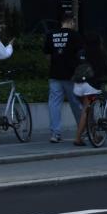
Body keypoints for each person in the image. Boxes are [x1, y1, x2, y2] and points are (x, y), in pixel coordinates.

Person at [43, 16, 86, 145]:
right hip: (71, 75)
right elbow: (81, 55)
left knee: (54, 104)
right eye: (73, 23)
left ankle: (55, 133)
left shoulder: (51, 35)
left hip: (55, 74)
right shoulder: (75, 35)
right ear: (71, 22)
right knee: (75, 103)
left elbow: (47, 54)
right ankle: (81, 130)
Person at [71, 29, 107, 148]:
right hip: (91, 88)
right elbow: (106, 70)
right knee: (86, 112)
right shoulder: (100, 53)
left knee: (89, 111)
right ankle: (77, 138)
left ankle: (94, 136)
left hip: (78, 87)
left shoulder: (81, 52)